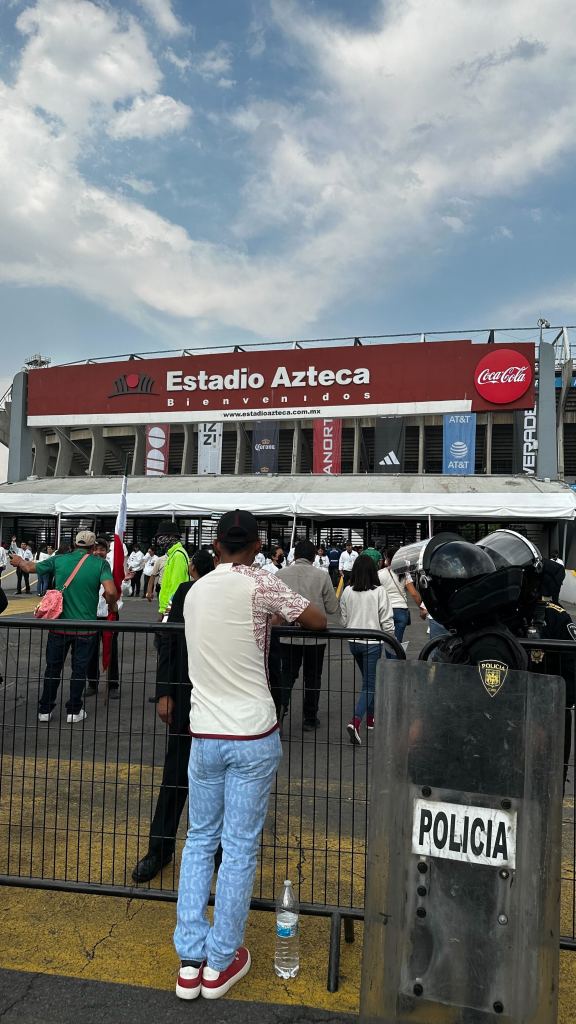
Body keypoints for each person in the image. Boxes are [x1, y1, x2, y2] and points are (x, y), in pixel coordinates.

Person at [174, 509, 326, 1001]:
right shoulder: (260, 584)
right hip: (252, 733)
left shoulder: (195, 591)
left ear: (215, 544)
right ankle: (221, 962)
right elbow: (318, 619)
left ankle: (190, 959)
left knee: (199, 840)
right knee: (238, 848)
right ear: (258, 544)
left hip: (204, 732)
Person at [132, 549, 216, 884]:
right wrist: (164, 691)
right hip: (186, 696)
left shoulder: (244, 590)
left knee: (221, 787)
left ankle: (220, 854)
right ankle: (159, 850)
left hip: (224, 705)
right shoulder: (186, 592)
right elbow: (168, 641)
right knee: (174, 778)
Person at [476, 528, 576, 785]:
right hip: (496, 719)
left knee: (544, 788)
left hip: (545, 720)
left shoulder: (555, 617)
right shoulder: (493, 615)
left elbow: (572, 677)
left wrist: (548, 713)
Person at [10, 531, 118, 723]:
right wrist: (111, 604)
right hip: (86, 627)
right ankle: (74, 711)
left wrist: (18, 561)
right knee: (79, 670)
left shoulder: (58, 560)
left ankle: (45, 710)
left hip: (59, 625)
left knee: (52, 668)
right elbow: (110, 591)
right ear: (93, 547)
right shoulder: (100, 563)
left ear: (75, 544)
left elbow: (28, 567)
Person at [277, 539, 341, 730]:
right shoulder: (322, 576)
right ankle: (310, 718)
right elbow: (331, 607)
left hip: (287, 633)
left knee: (286, 676)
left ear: (294, 556)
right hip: (315, 635)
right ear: (314, 557)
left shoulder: (281, 574)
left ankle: (279, 714)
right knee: (313, 677)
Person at [342, 554, 393, 745]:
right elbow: (387, 621)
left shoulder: (347, 591)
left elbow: (343, 619)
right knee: (370, 684)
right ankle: (356, 721)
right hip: (373, 642)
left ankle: (371, 718)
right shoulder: (379, 591)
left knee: (368, 681)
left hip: (353, 641)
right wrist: (391, 639)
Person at [85, 537, 120, 699]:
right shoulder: (87, 566)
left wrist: (124, 582)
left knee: (111, 650)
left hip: (110, 614)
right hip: (91, 615)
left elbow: (122, 591)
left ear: (107, 552)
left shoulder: (113, 567)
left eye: (102, 549)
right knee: (90, 651)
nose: (99, 552)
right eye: (96, 549)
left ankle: (112, 685)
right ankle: (92, 683)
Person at [378, 547, 426, 647]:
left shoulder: (380, 574)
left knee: (388, 642)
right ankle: (397, 661)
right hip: (401, 611)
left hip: (386, 611)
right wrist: (422, 609)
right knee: (397, 644)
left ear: (387, 558)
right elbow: (414, 593)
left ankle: (391, 661)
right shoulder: (404, 573)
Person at [155, 523, 190, 618]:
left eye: (161, 537)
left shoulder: (178, 555)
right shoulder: (173, 554)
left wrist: (166, 613)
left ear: (171, 537)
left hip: (171, 611)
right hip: (168, 609)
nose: (159, 541)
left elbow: (176, 587)